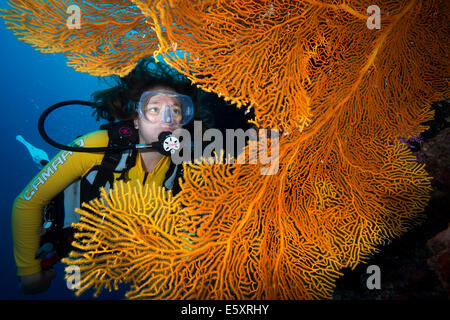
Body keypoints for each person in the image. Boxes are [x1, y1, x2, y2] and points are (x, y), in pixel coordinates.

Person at [12, 58, 199, 294]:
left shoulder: (187, 166)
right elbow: (27, 202)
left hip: (124, 248)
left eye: (176, 110)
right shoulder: (95, 145)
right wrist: (29, 273)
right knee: (46, 169)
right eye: (154, 109)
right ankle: (39, 157)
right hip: (74, 235)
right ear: (136, 120)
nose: (168, 118)